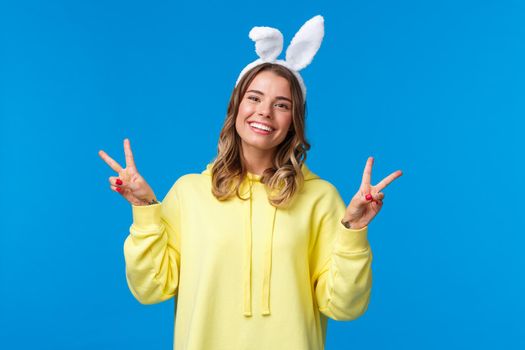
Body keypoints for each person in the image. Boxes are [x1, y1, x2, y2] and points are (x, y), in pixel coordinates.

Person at [99, 15, 402, 350]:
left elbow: (344, 306)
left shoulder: (321, 199)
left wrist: (353, 231)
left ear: (294, 121)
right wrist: (144, 210)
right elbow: (151, 288)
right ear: (236, 106)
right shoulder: (189, 193)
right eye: (254, 98)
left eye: (281, 104)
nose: (265, 112)